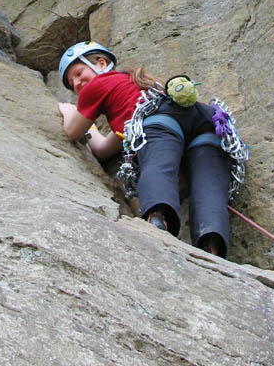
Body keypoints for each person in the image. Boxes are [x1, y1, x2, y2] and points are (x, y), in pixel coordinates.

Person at [58, 41, 234, 257]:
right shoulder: (139, 90)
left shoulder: (98, 85)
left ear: (101, 64)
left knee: (158, 164)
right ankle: (212, 245)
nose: (76, 84)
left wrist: (69, 110)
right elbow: (103, 148)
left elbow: (72, 131)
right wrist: (93, 129)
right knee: (209, 186)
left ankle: (157, 221)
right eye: (71, 82)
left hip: (161, 122)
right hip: (206, 122)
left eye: (78, 73)